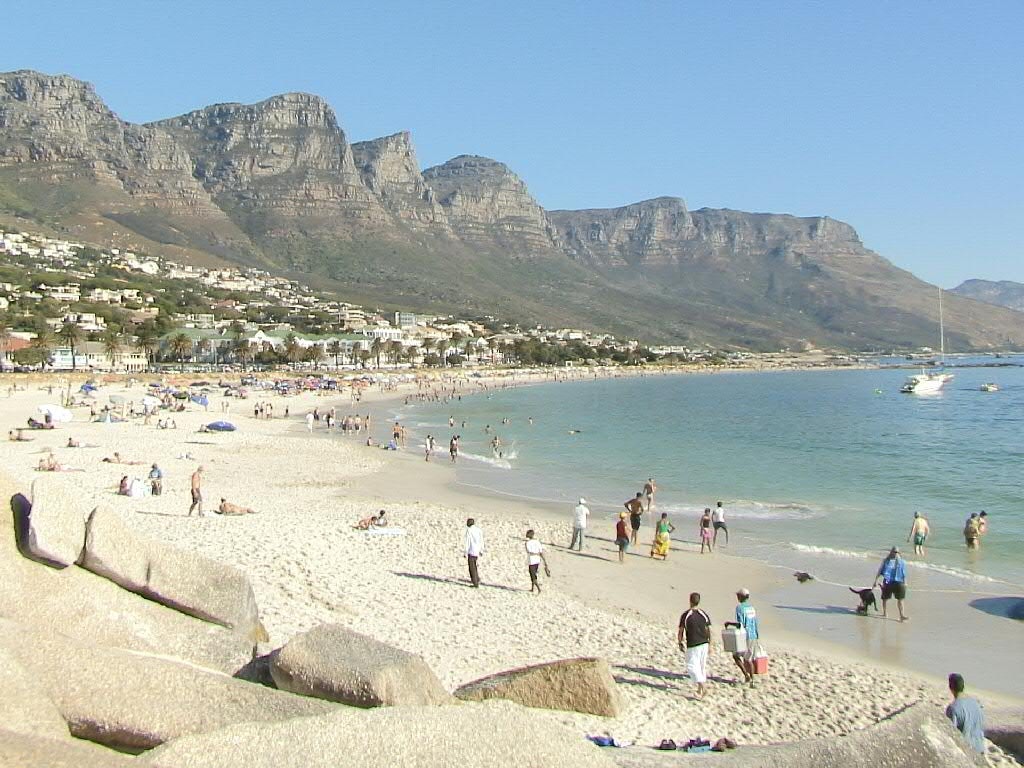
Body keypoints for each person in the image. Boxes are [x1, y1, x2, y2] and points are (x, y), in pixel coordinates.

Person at [677, 592, 713, 699]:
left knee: (691, 666)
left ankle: (703, 686)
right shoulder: (703, 614)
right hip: (704, 643)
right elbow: (708, 630)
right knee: (701, 666)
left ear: (690, 601)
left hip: (693, 644)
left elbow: (681, 631)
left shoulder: (686, 615)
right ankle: (699, 689)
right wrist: (710, 644)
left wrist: (680, 642)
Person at [727, 588, 760, 688]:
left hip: (744, 635)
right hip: (753, 635)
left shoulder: (740, 608)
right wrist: (757, 635)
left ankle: (747, 676)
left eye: (738, 595)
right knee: (748, 658)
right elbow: (755, 622)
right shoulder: (752, 608)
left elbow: (740, 624)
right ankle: (752, 680)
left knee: (736, 655)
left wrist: (729, 623)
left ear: (741, 597)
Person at [945, 673, 985, 754]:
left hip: (966, 751)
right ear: (963, 686)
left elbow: (951, 734)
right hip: (980, 748)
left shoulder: (953, 709)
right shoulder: (976, 704)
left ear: (950, 687)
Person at [874, 546, 908, 621]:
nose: (895, 553)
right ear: (891, 552)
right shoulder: (886, 561)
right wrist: (875, 581)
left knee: (901, 599)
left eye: (897, 552)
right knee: (885, 598)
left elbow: (904, 573)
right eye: (894, 552)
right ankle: (885, 613)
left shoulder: (902, 562)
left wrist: (905, 583)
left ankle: (901, 615)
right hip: (888, 581)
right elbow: (880, 571)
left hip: (899, 582)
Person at [525, 529, 549, 594]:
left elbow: (528, 551)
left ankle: (539, 589)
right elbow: (541, 552)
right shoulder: (537, 542)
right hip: (537, 560)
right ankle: (532, 588)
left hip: (531, 560)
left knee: (532, 575)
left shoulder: (527, 543)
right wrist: (545, 561)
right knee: (534, 573)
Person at [464, 518, 483, 587]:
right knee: (475, 565)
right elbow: (481, 540)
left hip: (471, 550)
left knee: (472, 567)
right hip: (477, 550)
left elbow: (467, 542)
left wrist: (465, 552)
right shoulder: (478, 530)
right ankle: (477, 578)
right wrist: (481, 550)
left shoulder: (469, 530)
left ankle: (475, 583)